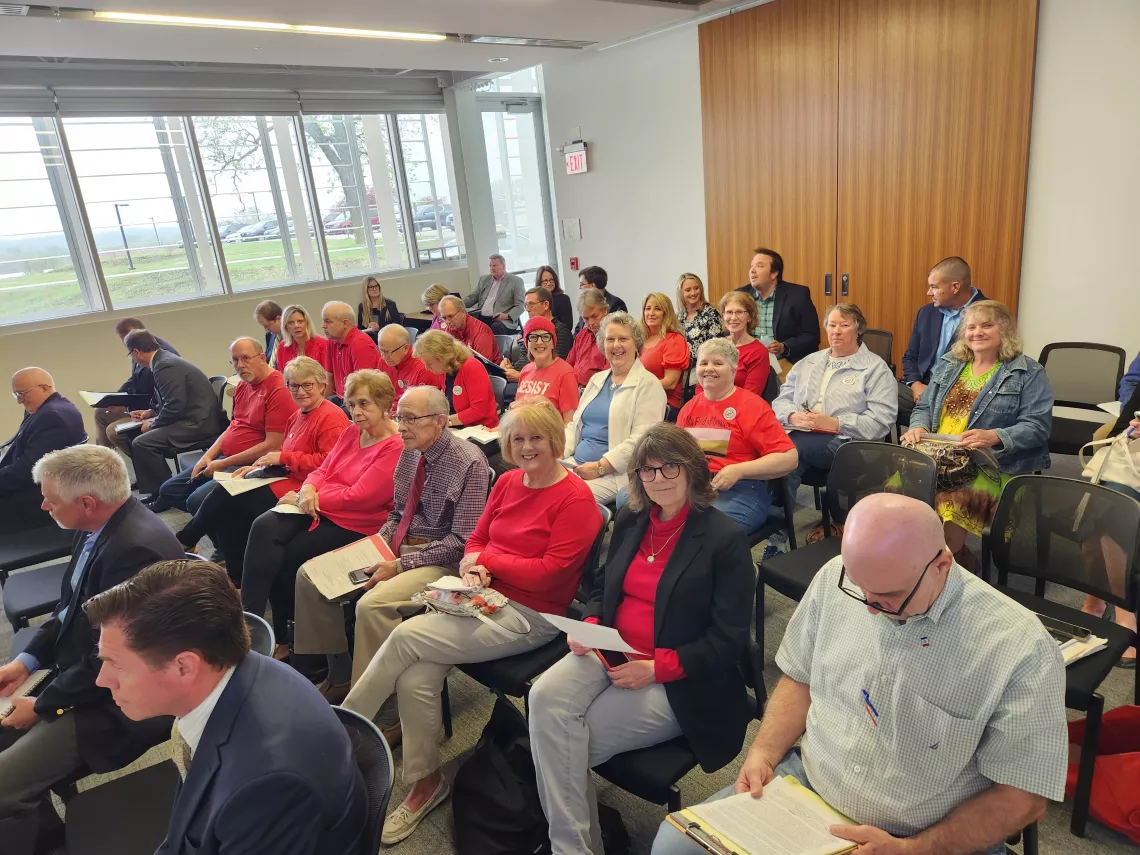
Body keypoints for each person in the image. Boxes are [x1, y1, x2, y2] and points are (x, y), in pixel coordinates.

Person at [650, 493, 1068, 855]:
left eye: (888, 597)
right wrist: (764, 753)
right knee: (672, 846)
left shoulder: (1019, 648)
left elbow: (1023, 797)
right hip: (810, 787)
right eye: (860, 588)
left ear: (943, 563)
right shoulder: (837, 578)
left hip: (924, 833)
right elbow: (800, 677)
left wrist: (912, 849)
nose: (868, 608)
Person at [344, 401, 603, 845]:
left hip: (532, 614)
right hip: (483, 595)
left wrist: (490, 562)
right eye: (517, 438)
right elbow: (478, 536)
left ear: (556, 441)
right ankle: (426, 784)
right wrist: (471, 563)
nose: (526, 447)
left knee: (406, 637)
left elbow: (551, 572)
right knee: (416, 679)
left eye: (536, 438)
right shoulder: (508, 481)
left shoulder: (576, 500)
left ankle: (341, 734)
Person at [530, 424, 756, 855]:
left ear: (692, 469)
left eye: (670, 467)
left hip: (678, 676)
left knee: (564, 744)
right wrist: (591, 623)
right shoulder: (633, 519)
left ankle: (572, 849)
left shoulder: (725, 539)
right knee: (542, 699)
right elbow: (602, 585)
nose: (658, 479)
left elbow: (727, 640)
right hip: (611, 648)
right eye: (647, 470)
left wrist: (656, 669)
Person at [86, 560, 368, 855]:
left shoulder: (265, 787)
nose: (102, 680)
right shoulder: (240, 674)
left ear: (184, 667)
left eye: (116, 665)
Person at [0, 445, 182, 855]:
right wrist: (24, 663)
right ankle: (46, 835)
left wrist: (43, 705)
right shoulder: (98, 527)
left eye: (50, 499)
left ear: (86, 502)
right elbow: (68, 611)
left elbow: (116, 660)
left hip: (120, 699)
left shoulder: (135, 552)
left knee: (2, 788)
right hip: (84, 675)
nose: (44, 505)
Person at [293, 386, 490, 709]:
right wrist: (379, 545)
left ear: (440, 421)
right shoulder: (410, 451)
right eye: (400, 417)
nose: (400, 427)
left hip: (439, 558)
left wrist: (399, 565)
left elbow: (462, 542)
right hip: (399, 543)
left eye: (411, 419)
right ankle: (340, 673)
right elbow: (398, 513)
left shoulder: (469, 463)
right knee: (310, 575)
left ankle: (372, 707)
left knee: (372, 606)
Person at [240, 370, 402, 653]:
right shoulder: (353, 431)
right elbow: (323, 469)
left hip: (356, 523)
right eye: (352, 404)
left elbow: (361, 497)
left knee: (287, 557)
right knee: (264, 525)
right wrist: (307, 490)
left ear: (385, 404)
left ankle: (288, 640)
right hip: (320, 507)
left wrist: (308, 498)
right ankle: (249, 621)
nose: (356, 412)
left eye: (364, 404)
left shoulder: (395, 446)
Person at [901, 300, 1052, 572]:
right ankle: (937, 562)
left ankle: (948, 568)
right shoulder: (950, 364)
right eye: (971, 327)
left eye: (987, 325)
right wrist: (919, 427)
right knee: (899, 494)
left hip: (992, 464)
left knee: (952, 503)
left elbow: (1038, 427)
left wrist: (994, 436)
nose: (977, 332)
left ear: (1004, 330)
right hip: (939, 455)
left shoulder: (1028, 372)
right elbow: (923, 407)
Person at [175, 356, 349, 561]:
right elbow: (285, 453)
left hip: (306, 486)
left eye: (307, 385)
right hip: (285, 476)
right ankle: (233, 569)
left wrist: (284, 457)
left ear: (322, 386)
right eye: (293, 386)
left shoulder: (330, 417)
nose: (300, 392)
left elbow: (328, 465)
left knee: (225, 499)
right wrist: (257, 469)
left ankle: (186, 540)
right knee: (225, 503)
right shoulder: (297, 415)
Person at [154, 336, 296, 514]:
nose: (240, 365)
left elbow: (272, 446)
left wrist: (222, 463)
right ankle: (220, 518)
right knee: (169, 490)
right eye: (235, 360)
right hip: (227, 457)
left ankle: (220, 518)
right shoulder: (242, 385)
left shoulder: (278, 389)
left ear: (262, 358)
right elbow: (233, 427)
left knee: (197, 501)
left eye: (246, 358)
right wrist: (208, 457)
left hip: (252, 463)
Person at [772, 303, 898, 499]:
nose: (836, 331)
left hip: (850, 442)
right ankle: (775, 509)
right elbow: (782, 399)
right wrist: (791, 416)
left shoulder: (875, 368)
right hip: (801, 433)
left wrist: (836, 423)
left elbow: (881, 421)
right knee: (778, 450)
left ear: (858, 330)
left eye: (844, 325)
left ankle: (775, 511)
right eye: (831, 325)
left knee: (788, 448)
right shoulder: (808, 362)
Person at [678, 339, 798, 534]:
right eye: (703, 363)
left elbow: (789, 458)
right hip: (697, 487)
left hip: (742, 489)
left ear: (734, 370)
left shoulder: (752, 406)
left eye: (718, 363)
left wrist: (739, 470)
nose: (709, 368)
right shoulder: (689, 408)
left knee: (702, 534)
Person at [564, 312, 668, 503]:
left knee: (566, 499)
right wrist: (558, 453)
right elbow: (575, 425)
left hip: (614, 474)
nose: (616, 345)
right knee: (536, 484)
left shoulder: (649, 385)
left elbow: (641, 441)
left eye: (623, 339)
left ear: (636, 344)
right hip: (575, 464)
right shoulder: (596, 380)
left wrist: (600, 467)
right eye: (610, 339)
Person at [116, 330, 228, 503]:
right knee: (134, 434)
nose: (132, 358)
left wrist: (152, 424)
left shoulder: (164, 366)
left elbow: (174, 406)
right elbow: (169, 399)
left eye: (130, 354)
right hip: (193, 417)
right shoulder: (162, 360)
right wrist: (150, 412)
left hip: (198, 424)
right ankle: (157, 490)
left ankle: (163, 497)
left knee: (142, 442)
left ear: (136, 352)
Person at [899, 257, 985, 426]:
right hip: (922, 389)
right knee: (877, 394)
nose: (929, 293)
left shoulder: (989, 314)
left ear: (955, 287)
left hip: (963, 395)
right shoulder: (926, 313)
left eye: (934, 287)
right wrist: (916, 385)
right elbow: (910, 357)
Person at [1, 368, 86, 534]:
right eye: (16, 394)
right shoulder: (48, 408)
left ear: (45, 388)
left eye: (22, 393)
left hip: (34, 497)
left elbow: (27, 470)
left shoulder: (53, 416)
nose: (19, 401)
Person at [94, 317, 178, 447]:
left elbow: (158, 394)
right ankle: (101, 456)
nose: (125, 344)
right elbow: (134, 379)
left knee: (113, 431)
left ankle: (141, 456)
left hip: (153, 407)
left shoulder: (162, 357)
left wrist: (127, 405)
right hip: (145, 404)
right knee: (101, 411)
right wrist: (116, 398)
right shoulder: (139, 347)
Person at [735, 247, 820, 363]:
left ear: (774, 273)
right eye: (751, 266)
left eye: (759, 266)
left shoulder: (797, 295)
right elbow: (728, 330)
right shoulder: (740, 295)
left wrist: (784, 347)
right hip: (748, 360)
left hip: (784, 361)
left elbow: (811, 336)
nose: (752, 271)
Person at [413, 330, 499, 430]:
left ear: (442, 358)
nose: (427, 368)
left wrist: (446, 421)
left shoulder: (472, 367)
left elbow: (478, 411)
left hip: (481, 429)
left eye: (429, 363)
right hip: (457, 428)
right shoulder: (445, 369)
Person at [515, 316, 580, 424]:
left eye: (545, 337)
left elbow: (570, 423)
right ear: (527, 343)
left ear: (553, 343)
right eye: (533, 337)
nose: (539, 342)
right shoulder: (525, 370)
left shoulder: (565, 373)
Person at [639, 292, 691, 413]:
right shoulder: (640, 339)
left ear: (666, 313)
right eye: (648, 308)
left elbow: (670, 382)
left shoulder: (674, 340)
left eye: (657, 309)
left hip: (663, 403)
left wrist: (638, 388)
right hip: (640, 399)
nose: (651, 313)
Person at [320, 300, 382, 400]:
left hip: (361, 400)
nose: (323, 325)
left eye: (328, 321)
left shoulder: (360, 344)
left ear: (345, 323)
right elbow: (329, 379)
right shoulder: (332, 341)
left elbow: (364, 390)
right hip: (343, 398)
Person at [718, 290, 772, 397]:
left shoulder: (758, 352)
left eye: (739, 312)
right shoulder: (717, 346)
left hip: (739, 405)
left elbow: (750, 396)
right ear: (723, 315)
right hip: (710, 403)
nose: (733, 318)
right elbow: (702, 385)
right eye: (729, 312)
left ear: (750, 317)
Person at [378, 323, 444, 409]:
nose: (384, 356)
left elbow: (424, 407)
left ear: (405, 348)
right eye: (381, 350)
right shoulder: (384, 361)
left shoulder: (424, 368)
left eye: (388, 352)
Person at [465, 253, 525, 334]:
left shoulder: (516, 281)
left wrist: (507, 316)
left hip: (503, 320)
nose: (492, 268)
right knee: (467, 325)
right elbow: (473, 297)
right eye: (490, 266)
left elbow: (520, 305)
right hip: (482, 317)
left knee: (496, 327)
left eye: (495, 265)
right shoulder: (484, 280)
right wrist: (458, 304)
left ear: (503, 266)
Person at [566, 288, 612, 388]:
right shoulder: (582, 335)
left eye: (594, 316)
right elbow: (567, 366)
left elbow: (608, 377)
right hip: (575, 388)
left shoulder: (613, 337)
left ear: (605, 310)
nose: (591, 322)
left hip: (597, 390)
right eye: (586, 318)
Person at [439, 295, 501, 362]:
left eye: (450, 316)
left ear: (463, 312)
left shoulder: (481, 333)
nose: (447, 322)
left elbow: (482, 366)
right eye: (444, 318)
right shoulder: (451, 329)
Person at [677, 272, 722, 361]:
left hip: (704, 364)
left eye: (696, 288)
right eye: (688, 290)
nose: (693, 293)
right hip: (680, 365)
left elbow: (716, 347)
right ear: (681, 293)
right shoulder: (678, 317)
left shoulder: (711, 314)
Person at [573, 266, 627, 334]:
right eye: (586, 318)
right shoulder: (584, 303)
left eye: (581, 285)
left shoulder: (616, 303)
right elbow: (578, 329)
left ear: (592, 285)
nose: (580, 288)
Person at [276, 303, 328, 368]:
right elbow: (282, 373)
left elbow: (327, 373)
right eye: (291, 323)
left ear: (307, 323)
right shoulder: (282, 347)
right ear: (285, 327)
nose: (296, 326)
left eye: (300, 321)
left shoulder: (323, 344)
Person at [536, 265, 574, 331]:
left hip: (559, 334)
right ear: (539, 282)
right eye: (545, 281)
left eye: (551, 280)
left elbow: (568, 325)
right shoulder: (536, 300)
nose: (549, 283)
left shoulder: (563, 299)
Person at [254, 299, 283, 368]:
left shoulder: (292, 338)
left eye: (267, 325)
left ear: (279, 319)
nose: (266, 329)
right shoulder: (270, 335)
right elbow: (268, 358)